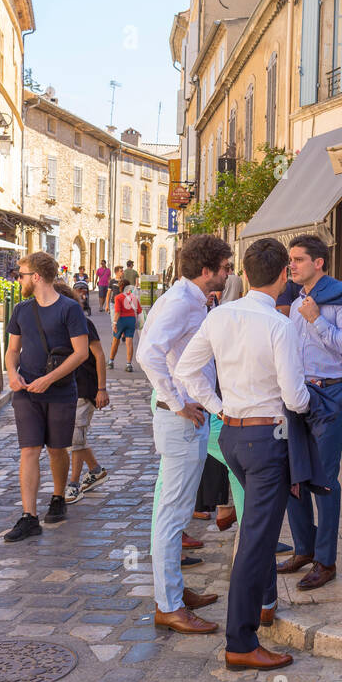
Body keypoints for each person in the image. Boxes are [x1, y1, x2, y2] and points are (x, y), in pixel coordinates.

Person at [175, 237, 308, 669]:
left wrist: (217, 407)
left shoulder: (220, 316)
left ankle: (263, 608)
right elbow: (294, 394)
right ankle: (240, 641)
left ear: (244, 275)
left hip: (232, 434)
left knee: (256, 532)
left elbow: (185, 370)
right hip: (266, 438)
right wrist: (308, 401)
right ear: (284, 275)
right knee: (256, 541)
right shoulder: (280, 326)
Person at [135, 234, 231, 634]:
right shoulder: (179, 302)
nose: (229, 273)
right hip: (181, 419)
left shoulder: (188, 299)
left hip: (185, 416)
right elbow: (147, 354)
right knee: (172, 514)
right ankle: (169, 605)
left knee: (171, 511)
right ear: (206, 270)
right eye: (225, 267)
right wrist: (177, 402)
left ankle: (172, 590)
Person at [277, 233, 342, 591]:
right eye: (291, 259)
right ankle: (303, 548)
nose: (292, 265)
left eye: (299, 259)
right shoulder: (295, 300)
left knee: (324, 480)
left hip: (332, 394)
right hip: (299, 393)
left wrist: (317, 319)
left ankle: (326, 561)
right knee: (293, 474)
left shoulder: (340, 299)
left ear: (319, 262)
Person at [3, 252, 90, 542]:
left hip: (60, 391)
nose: (20, 278)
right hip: (26, 391)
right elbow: (12, 350)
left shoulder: (69, 309)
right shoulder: (21, 310)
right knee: (29, 449)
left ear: (36, 277)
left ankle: (57, 497)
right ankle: (29, 516)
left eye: (23, 273)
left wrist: (49, 379)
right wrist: (12, 374)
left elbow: (82, 352)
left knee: (56, 449)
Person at [56, 282, 109, 505]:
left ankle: (74, 484)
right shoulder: (56, 325)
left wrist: (101, 389)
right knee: (73, 437)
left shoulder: (84, 323)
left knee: (76, 438)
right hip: (64, 388)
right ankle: (96, 470)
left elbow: (99, 355)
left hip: (85, 387)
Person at [109, 284, 140, 371]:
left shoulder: (118, 297)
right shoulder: (133, 297)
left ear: (120, 288)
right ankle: (128, 364)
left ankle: (111, 362)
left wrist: (114, 323)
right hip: (131, 320)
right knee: (129, 342)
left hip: (121, 320)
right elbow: (139, 310)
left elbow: (117, 312)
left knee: (115, 340)